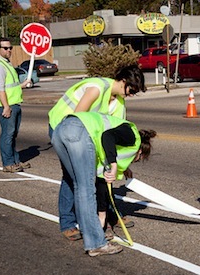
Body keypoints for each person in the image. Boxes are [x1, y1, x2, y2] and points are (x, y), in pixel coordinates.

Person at [48, 64, 146, 241]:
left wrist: (123, 166)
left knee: (102, 174)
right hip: (63, 128)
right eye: (132, 89)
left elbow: (113, 135)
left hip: (87, 136)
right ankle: (68, 223)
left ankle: (109, 214)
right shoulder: (97, 88)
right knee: (74, 177)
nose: (132, 94)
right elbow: (76, 120)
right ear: (124, 81)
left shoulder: (119, 103)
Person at [50, 112, 156, 256]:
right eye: (137, 159)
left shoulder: (105, 149)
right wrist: (113, 164)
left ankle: (90, 232)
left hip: (60, 130)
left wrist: (101, 216)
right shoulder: (133, 136)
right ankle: (96, 243)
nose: (132, 161)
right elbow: (108, 136)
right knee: (85, 189)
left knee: (79, 185)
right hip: (79, 131)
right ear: (139, 151)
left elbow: (102, 182)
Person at [0, 37, 32, 173]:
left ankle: (15, 160)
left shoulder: (7, 64)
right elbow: (0, 88)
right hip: (6, 105)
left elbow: (9, 86)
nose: (9, 50)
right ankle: (8, 163)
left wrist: (22, 85)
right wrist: (6, 106)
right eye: (5, 48)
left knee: (12, 134)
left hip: (13, 103)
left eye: (10, 48)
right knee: (8, 134)